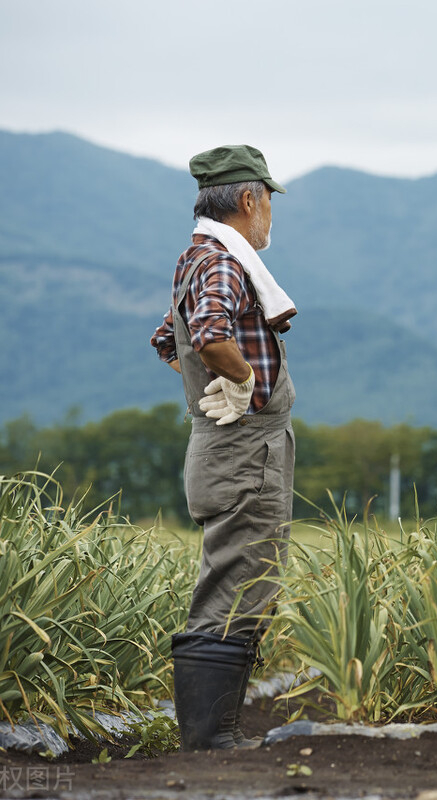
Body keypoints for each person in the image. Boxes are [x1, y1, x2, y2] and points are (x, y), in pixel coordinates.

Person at [150, 144, 297, 750]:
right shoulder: (222, 263)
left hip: (227, 446)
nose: (269, 218)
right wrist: (238, 385)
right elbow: (207, 336)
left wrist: (206, 390)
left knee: (239, 580)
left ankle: (217, 733)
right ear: (248, 198)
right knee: (236, 587)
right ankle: (212, 739)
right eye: (268, 203)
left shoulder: (199, 256)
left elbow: (167, 338)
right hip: (243, 452)